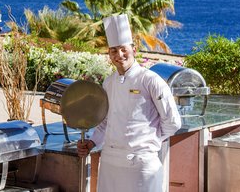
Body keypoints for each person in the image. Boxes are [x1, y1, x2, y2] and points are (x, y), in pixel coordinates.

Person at [77, 14, 182, 192]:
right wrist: (92, 143)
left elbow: (172, 122)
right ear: (109, 54)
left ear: (133, 49)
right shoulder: (108, 83)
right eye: (113, 50)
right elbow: (105, 122)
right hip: (110, 163)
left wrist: (146, 142)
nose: (119, 55)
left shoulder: (150, 80)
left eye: (123, 49)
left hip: (141, 166)